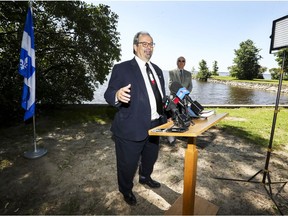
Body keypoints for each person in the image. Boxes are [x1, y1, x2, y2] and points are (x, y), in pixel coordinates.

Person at [104, 31, 166, 206]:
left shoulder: (158, 70)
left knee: (150, 157)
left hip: (155, 126)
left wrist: (167, 113)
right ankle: (126, 189)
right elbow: (109, 93)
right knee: (127, 164)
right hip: (130, 127)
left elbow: (160, 96)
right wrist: (117, 94)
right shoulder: (122, 68)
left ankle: (145, 177)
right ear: (135, 46)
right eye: (144, 44)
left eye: (151, 44)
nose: (148, 47)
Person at [167, 56, 193, 144]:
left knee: (184, 115)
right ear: (176, 62)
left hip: (184, 98)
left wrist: (185, 93)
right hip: (175, 98)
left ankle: (184, 133)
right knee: (174, 115)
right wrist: (179, 94)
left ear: (185, 63)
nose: (181, 62)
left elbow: (190, 86)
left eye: (183, 61)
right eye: (179, 60)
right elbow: (170, 85)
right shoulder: (171, 72)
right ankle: (172, 135)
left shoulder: (189, 74)